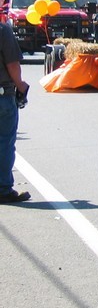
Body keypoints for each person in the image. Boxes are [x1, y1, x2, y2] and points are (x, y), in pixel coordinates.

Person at [1, 20, 30, 203]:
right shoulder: (3, 30)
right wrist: (20, 86)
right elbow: (13, 64)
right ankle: (3, 189)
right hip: (2, 94)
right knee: (4, 143)